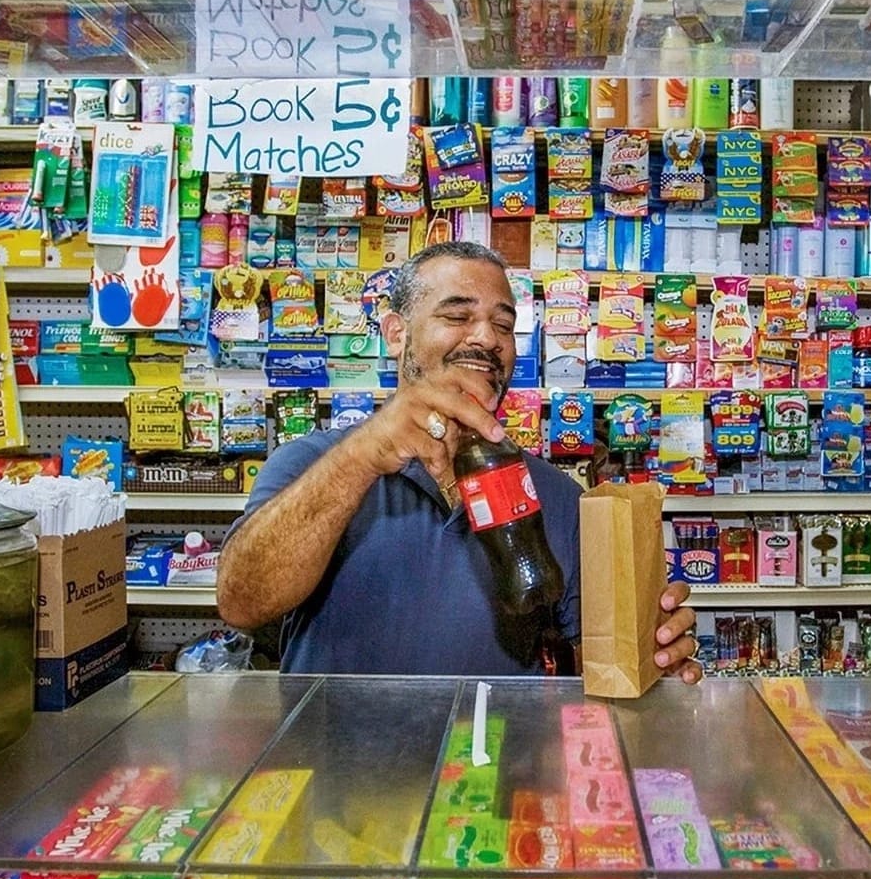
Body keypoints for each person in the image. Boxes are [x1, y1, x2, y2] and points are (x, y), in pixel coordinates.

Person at [218, 241, 703, 681]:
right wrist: (361, 458)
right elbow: (240, 602)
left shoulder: (555, 494)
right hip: (343, 771)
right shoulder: (314, 462)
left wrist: (654, 652)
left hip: (497, 771)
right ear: (395, 333)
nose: (487, 339)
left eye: (503, 324)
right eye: (457, 316)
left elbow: (600, 663)